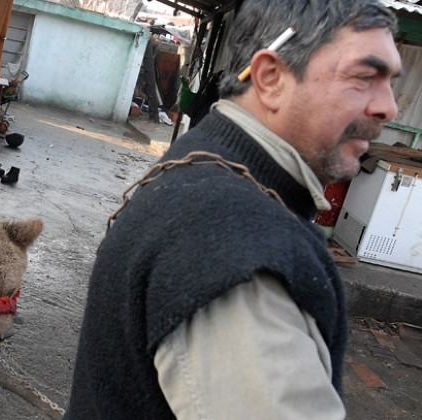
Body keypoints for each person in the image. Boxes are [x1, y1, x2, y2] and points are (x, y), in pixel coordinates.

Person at [64, 0, 401, 418]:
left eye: (391, 83)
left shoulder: (203, 161)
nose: (389, 107)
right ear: (271, 78)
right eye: (365, 77)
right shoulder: (230, 247)